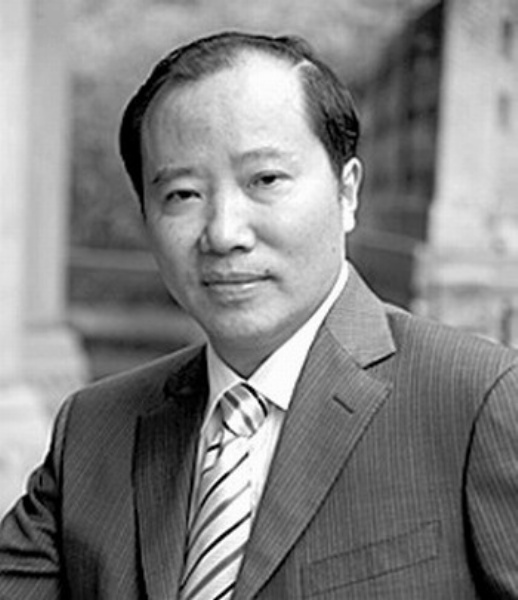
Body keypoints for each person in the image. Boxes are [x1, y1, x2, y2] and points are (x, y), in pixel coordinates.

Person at [1, 31, 518, 600]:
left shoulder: (479, 401)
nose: (224, 233)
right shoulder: (94, 429)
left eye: (265, 180)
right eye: (183, 194)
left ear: (347, 192)